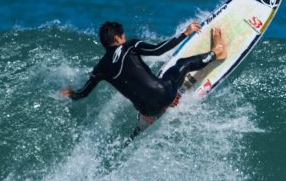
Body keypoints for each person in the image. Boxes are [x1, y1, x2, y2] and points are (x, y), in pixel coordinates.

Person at [60, 21, 227, 126]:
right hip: (164, 94)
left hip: (147, 111)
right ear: (118, 38)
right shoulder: (130, 46)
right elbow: (158, 50)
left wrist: (70, 94)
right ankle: (217, 53)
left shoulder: (100, 68)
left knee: (156, 83)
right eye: (123, 36)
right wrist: (185, 33)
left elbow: (83, 93)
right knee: (182, 65)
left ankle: (154, 113)